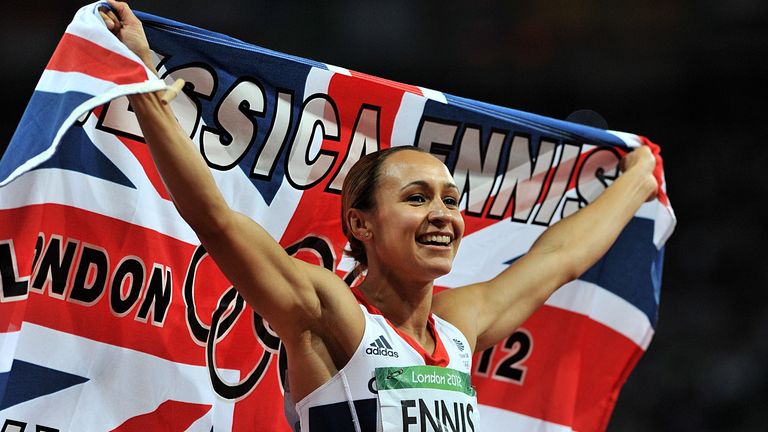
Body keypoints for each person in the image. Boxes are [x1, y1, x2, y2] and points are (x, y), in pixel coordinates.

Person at [100, 2, 660, 430]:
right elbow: (217, 220)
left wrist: (637, 180)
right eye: (416, 198)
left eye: (449, 198)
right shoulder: (331, 315)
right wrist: (146, 84)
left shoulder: (458, 329)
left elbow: (559, 258)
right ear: (361, 224)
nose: (443, 214)